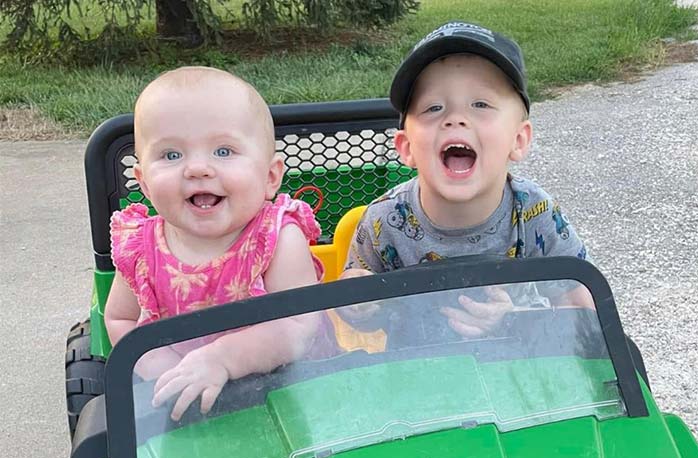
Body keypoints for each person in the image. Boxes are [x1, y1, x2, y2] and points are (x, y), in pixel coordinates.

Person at [341, 22, 593, 338]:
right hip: (416, 373)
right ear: (406, 148)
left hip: (521, 369)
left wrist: (515, 320)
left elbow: (584, 309)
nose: (455, 118)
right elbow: (359, 315)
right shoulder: (384, 222)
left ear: (518, 139)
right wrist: (357, 304)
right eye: (434, 107)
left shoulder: (535, 213)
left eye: (480, 104)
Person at [105, 66, 326, 420]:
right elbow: (120, 318)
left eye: (223, 151)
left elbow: (298, 326)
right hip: (189, 406)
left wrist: (222, 359)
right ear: (144, 184)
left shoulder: (278, 238)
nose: (197, 169)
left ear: (270, 177)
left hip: (291, 392)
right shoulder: (140, 249)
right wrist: (166, 369)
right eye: (172, 155)